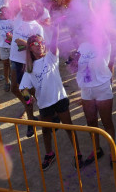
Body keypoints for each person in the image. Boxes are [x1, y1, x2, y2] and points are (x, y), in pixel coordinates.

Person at [19, 34, 83, 171]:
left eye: (42, 42)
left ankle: (78, 153)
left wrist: (56, 25)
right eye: (36, 43)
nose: (40, 45)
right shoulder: (29, 68)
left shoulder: (51, 57)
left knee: (69, 127)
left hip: (60, 98)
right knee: (46, 130)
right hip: (44, 103)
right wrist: (28, 99)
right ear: (30, 48)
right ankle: (49, 154)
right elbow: (22, 87)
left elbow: (54, 42)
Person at [70, 32, 115, 167]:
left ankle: (113, 152)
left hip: (102, 88)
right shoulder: (82, 46)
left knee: (107, 122)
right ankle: (97, 149)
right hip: (86, 90)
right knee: (91, 121)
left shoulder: (104, 44)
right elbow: (74, 69)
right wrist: (73, 61)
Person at [9, 1, 45, 137]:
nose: (24, 8)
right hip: (15, 60)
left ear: (35, 11)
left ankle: (32, 122)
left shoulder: (37, 27)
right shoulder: (19, 19)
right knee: (14, 88)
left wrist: (24, 43)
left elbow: (40, 47)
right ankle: (32, 107)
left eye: (29, 6)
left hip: (27, 63)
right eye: (24, 6)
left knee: (27, 92)